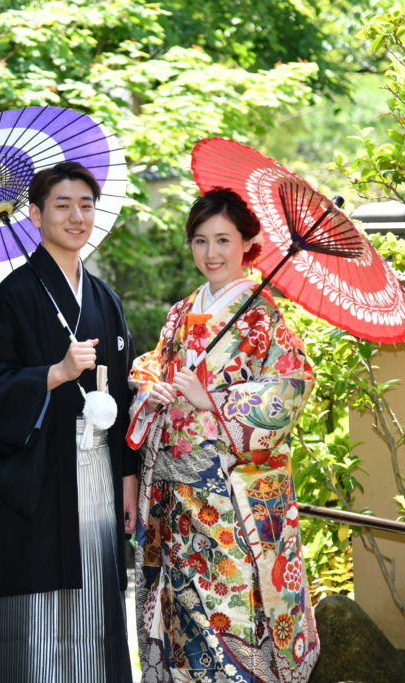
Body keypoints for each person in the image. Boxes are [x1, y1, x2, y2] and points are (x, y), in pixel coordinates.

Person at [127, 188, 320, 682]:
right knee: (179, 618)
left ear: (247, 243)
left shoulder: (263, 318)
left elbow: (291, 389)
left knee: (228, 609)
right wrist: (155, 388)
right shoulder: (180, 312)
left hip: (228, 500)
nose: (210, 254)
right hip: (173, 498)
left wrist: (210, 401)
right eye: (199, 241)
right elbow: (151, 365)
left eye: (222, 240)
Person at [0, 161, 137, 682]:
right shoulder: (11, 299)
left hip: (98, 473)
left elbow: (127, 391)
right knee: (42, 618)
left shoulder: (105, 298)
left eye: (86, 205)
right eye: (62, 205)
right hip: (40, 480)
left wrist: (128, 478)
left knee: (96, 603)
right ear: (36, 215)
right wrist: (53, 374)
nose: (76, 216)